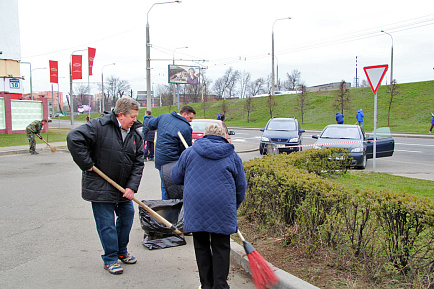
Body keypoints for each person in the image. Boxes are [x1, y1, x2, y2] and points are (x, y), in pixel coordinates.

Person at [66, 97, 144, 275]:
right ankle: (110, 258)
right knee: (107, 224)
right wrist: (86, 163)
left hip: (123, 187)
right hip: (101, 185)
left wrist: (131, 187)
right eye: (132, 116)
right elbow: (74, 138)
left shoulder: (134, 134)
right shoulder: (98, 126)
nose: (134, 120)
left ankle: (121, 251)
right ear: (120, 114)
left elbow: (139, 162)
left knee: (127, 217)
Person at [171, 124, 247, 289]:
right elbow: (241, 187)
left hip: (196, 206)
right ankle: (220, 285)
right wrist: (233, 207)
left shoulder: (189, 152)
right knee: (221, 246)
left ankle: (206, 285)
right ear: (223, 137)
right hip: (223, 205)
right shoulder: (232, 156)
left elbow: (175, 177)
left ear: (205, 136)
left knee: (201, 245)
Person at [148, 105, 196, 200]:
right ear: (184, 114)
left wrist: (149, 117)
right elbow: (185, 151)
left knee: (164, 185)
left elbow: (150, 124)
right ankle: (169, 209)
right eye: (190, 118)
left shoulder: (164, 116)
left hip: (160, 160)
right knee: (171, 189)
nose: (191, 120)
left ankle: (166, 207)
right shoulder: (185, 127)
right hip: (172, 163)